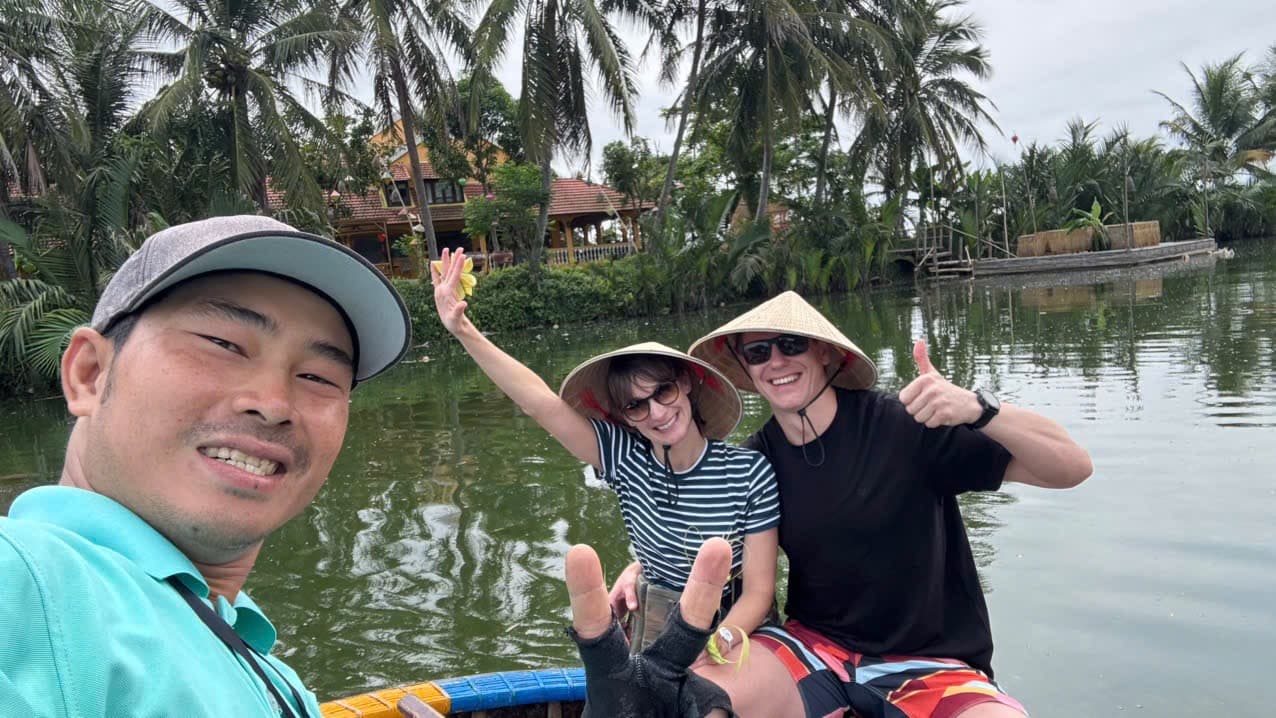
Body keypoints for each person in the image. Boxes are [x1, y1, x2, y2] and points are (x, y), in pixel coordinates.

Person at [0, 215, 412, 717]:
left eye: (317, 376)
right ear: (90, 375)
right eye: (223, 345)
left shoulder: (271, 673)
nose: (274, 403)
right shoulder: (23, 581)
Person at [674, 290, 1094, 717]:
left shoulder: (905, 425)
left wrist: (977, 409)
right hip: (813, 649)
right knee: (697, 699)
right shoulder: (756, 461)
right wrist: (639, 571)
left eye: (792, 344)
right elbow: (704, 536)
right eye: (759, 352)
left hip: (927, 661)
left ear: (822, 352)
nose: (776, 361)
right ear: (746, 367)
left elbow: (1072, 467)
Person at [431, 249, 780, 654]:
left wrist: (712, 650)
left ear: (685, 383)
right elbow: (539, 403)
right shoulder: (624, 458)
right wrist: (464, 331)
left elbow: (759, 593)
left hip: (736, 627)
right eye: (636, 405)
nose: (658, 413)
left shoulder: (748, 472)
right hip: (659, 620)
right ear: (624, 416)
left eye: (663, 391)